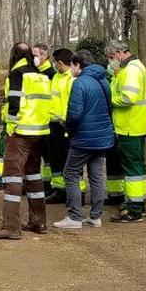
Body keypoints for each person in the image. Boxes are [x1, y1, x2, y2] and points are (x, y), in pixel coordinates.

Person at [0, 42, 52, 240]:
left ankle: (11, 226)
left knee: (13, 177)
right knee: (33, 176)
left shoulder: (17, 73)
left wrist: (11, 129)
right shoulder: (42, 75)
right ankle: (38, 221)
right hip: (40, 132)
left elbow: (14, 103)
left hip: (21, 132)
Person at [53, 50, 114, 229]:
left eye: (72, 65)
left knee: (70, 173)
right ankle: (95, 216)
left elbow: (75, 113)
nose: (71, 68)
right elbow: (108, 107)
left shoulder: (80, 83)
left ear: (78, 65)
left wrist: (68, 129)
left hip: (84, 138)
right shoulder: (103, 80)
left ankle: (74, 217)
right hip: (102, 137)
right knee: (96, 176)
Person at [105, 40, 146, 223]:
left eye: (110, 57)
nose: (110, 61)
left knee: (133, 169)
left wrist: (109, 100)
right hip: (134, 125)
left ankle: (135, 209)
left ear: (119, 53)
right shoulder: (133, 68)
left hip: (129, 126)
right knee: (137, 168)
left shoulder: (131, 70)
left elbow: (128, 98)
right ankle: (138, 203)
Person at [46, 48, 80, 204]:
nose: (54, 65)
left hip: (66, 125)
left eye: (55, 62)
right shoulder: (57, 77)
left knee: (70, 159)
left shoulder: (72, 79)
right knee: (56, 159)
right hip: (54, 124)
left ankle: (76, 192)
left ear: (60, 62)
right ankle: (59, 190)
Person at [33, 43, 56, 190]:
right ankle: (45, 183)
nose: (33, 58)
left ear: (44, 56)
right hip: (37, 120)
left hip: (47, 120)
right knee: (41, 154)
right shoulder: (35, 72)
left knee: (48, 155)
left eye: (35, 55)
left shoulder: (50, 74)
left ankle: (49, 184)